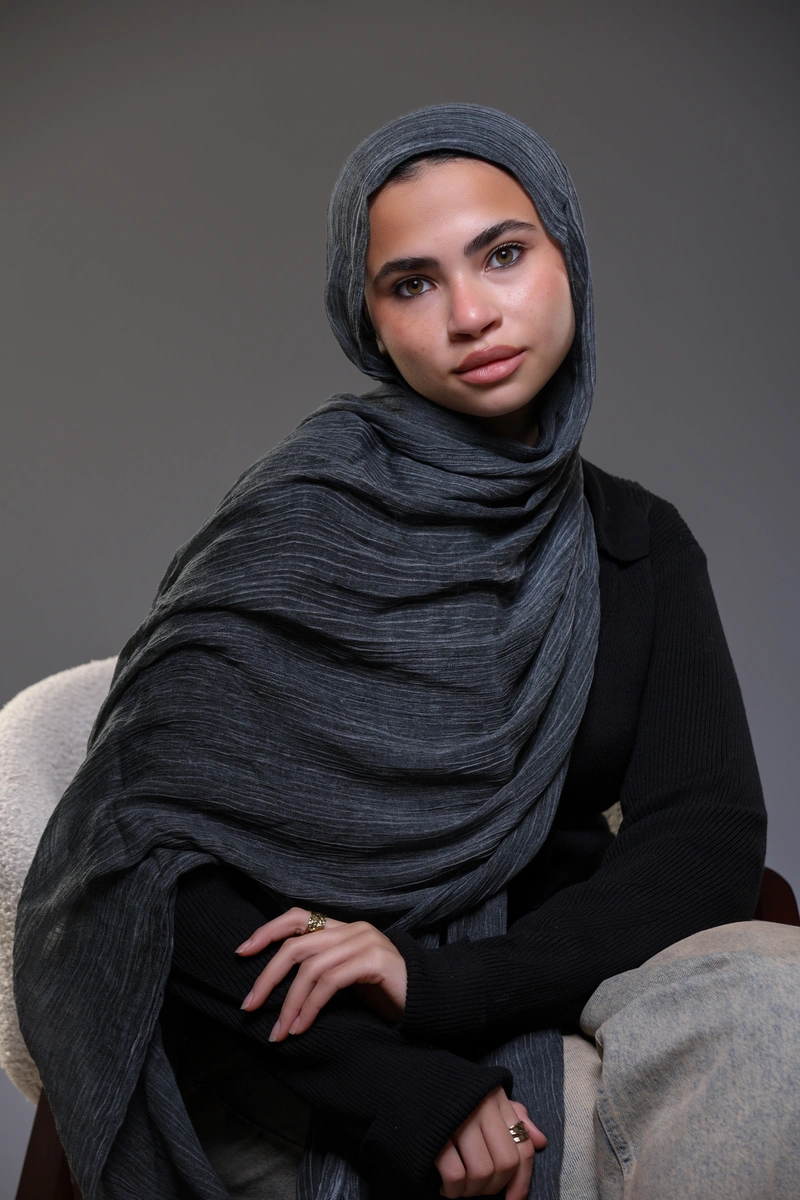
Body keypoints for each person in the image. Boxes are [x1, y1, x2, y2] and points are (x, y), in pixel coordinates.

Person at [13, 104, 799, 1200]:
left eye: (503, 254)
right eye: (413, 283)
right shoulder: (299, 521)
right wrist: (397, 1089)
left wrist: (441, 984)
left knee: (775, 1005)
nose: (471, 314)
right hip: (308, 1047)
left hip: (544, 989)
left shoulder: (633, 542)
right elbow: (127, 857)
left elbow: (700, 840)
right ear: (369, 325)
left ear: (566, 261)